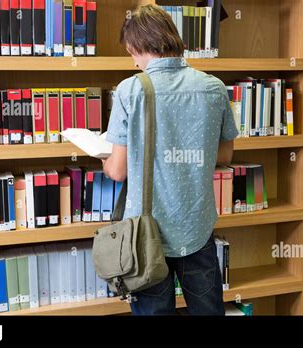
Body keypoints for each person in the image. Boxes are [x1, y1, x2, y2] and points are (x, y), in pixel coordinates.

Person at [102, 4, 238, 315]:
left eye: (130, 52)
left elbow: (119, 170)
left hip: (146, 236)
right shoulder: (213, 88)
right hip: (197, 228)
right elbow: (225, 154)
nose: (134, 61)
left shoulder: (129, 91)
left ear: (138, 46)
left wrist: (106, 163)